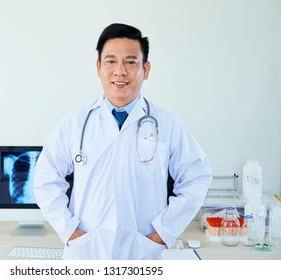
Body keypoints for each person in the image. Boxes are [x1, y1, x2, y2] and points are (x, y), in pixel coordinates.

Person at [33, 23, 212, 260]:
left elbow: (196, 178)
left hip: (143, 253)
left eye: (130, 62)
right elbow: (46, 180)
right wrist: (71, 232)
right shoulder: (74, 123)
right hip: (87, 252)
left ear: (145, 70)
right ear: (98, 67)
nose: (120, 71)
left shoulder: (168, 124)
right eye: (110, 61)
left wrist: (162, 234)